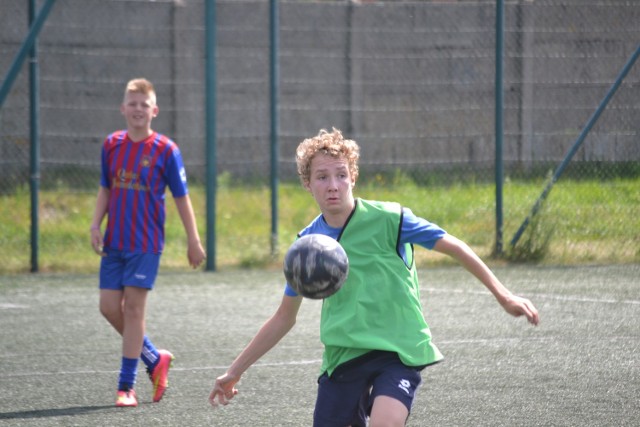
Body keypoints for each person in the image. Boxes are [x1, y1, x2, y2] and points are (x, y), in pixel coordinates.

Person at [209, 128, 539, 426]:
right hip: (344, 354)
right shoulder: (307, 246)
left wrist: (503, 295)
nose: (333, 185)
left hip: (399, 349)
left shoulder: (391, 219)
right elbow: (284, 316)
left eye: (341, 175)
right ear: (308, 184)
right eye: (322, 177)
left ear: (353, 176)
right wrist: (235, 371)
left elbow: (455, 246)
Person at [90, 78, 206, 407]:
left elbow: (182, 199)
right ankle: (155, 358)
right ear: (123, 108)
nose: (138, 109)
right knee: (109, 308)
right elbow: (106, 188)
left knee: (135, 310)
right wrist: (94, 225)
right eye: (133, 103)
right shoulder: (111, 144)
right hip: (115, 244)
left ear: (154, 111)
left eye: (145, 104)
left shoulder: (167, 151)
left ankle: (126, 387)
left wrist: (193, 241)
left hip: (145, 244)